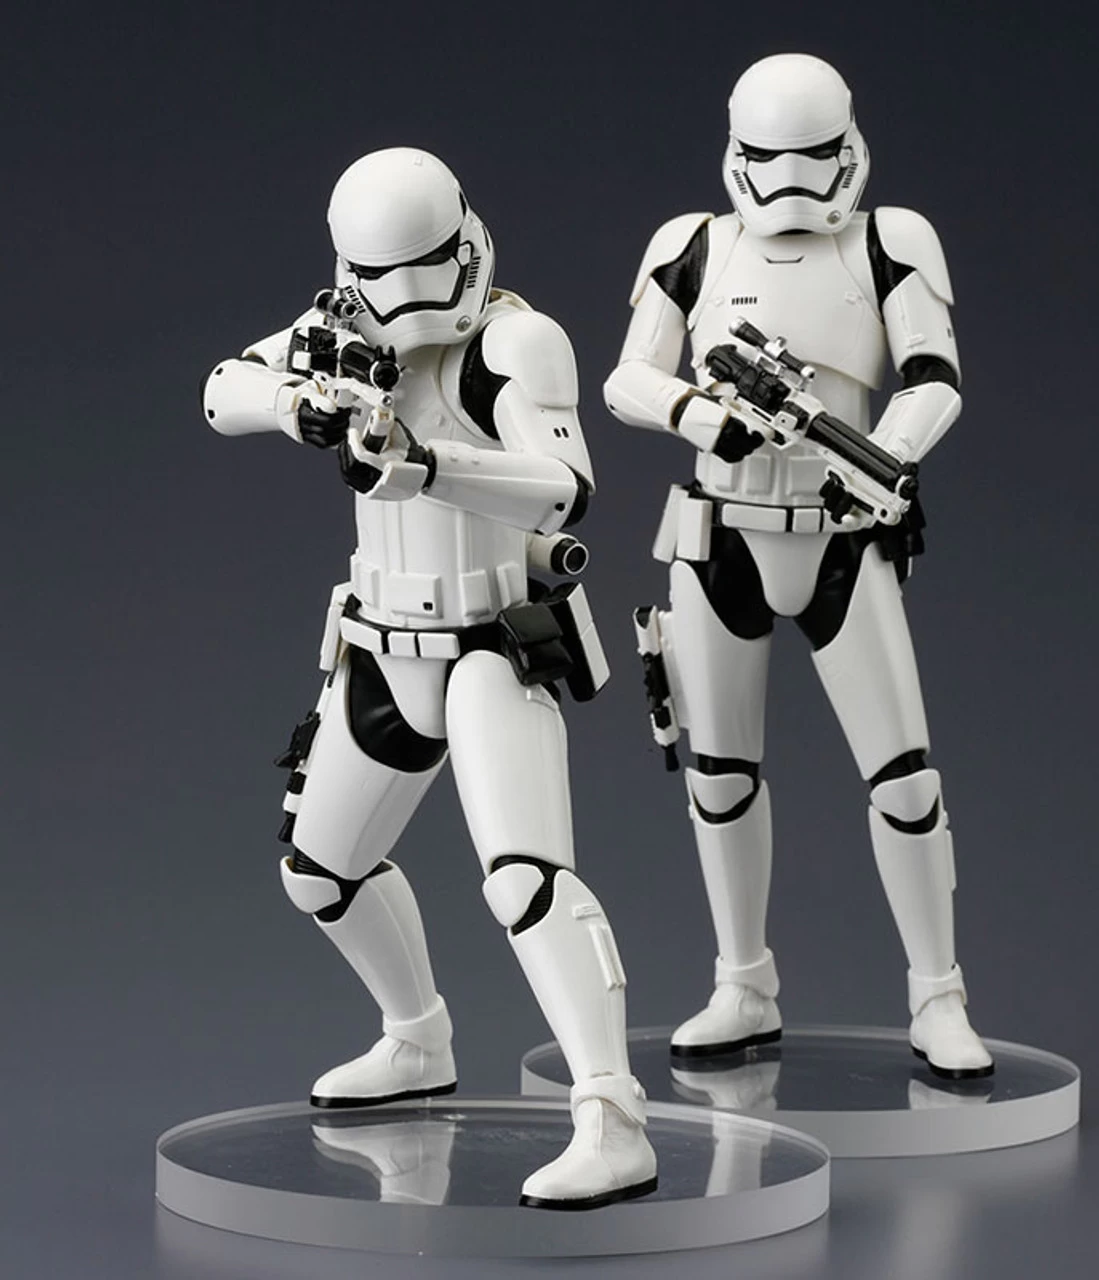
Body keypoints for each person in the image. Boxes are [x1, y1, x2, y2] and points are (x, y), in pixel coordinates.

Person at [202, 147, 657, 1207]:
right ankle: (416, 1038)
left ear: (464, 243)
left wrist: (424, 464)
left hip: (491, 639)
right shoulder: (342, 327)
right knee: (320, 872)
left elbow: (563, 487)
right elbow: (220, 389)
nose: (406, 302)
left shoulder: (514, 341)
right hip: (381, 640)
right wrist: (298, 405)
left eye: (424, 269)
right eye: (381, 278)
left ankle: (613, 1113)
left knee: (525, 879)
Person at [604, 54, 993, 1079]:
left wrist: (881, 456)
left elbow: (934, 376)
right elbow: (628, 377)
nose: (789, 182)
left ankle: (938, 993)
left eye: (812, 156)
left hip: (841, 533)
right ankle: (743, 981)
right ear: (737, 151)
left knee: (903, 777)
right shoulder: (693, 244)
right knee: (718, 774)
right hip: (719, 532)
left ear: (847, 147)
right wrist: (699, 415)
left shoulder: (889, 241)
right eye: (770, 157)